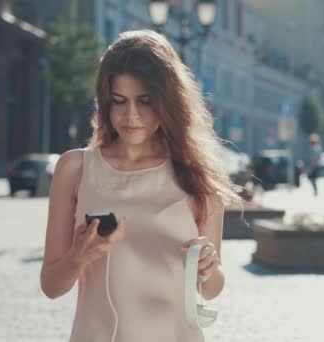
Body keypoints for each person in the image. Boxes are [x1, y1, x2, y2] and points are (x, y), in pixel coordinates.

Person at [40, 30, 240, 342]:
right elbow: (51, 286)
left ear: (168, 102)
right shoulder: (75, 168)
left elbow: (211, 289)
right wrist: (80, 255)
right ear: (104, 102)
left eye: (145, 102)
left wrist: (208, 267)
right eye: (118, 101)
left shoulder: (197, 175)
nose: (130, 115)